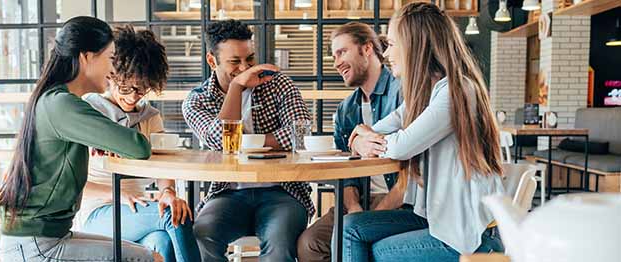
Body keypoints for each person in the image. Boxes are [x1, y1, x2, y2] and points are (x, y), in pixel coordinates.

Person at [341, 2, 505, 261]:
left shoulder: (456, 90)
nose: (386, 54)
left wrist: (366, 140)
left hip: (468, 235)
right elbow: (378, 129)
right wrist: (360, 140)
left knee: (377, 252)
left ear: (415, 45)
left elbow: (400, 146)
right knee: (351, 228)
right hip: (440, 221)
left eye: (392, 44)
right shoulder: (427, 94)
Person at [0, 17, 156, 261]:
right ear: (87, 57)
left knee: (147, 255)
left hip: (42, 237)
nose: (114, 71)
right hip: (35, 245)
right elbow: (138, 146)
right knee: (147, 258)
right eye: (111, 59)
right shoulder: (62, 104)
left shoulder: (53, 99)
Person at [181, 19, 313, 262]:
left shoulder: (277, 83)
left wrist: (249, 142)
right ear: (212, 61)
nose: (245, 68)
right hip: (228, 193)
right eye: (234, 62)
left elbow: (300, 132)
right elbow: (219, 140)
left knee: (280, 242)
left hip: (282, 191)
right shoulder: (196, 101)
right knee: (201, 236)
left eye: (249, 59)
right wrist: (237, 88)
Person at [77, 25, 200, 262]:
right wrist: (118, 195)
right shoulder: (88, 112)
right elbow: (73, 184)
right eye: (126, 88)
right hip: (96, 213)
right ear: (111, 75)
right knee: (174, 216)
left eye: (142, 89)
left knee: (162, 239)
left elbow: (163, 166)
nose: (133, 96)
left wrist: (167, 192)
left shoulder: (150, 117)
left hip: (137, 210)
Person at [296, 22, 401, 262]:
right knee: (309, 244)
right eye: (334, 56)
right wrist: (354, 207)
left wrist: (377, 213)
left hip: (401, 201)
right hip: (360, 200)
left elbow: (415, 169)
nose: (336, 63)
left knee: (354, 235)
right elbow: (345, 170)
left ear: (367, 49)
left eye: (342, 52)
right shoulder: (346, 109)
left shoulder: (401, 92)